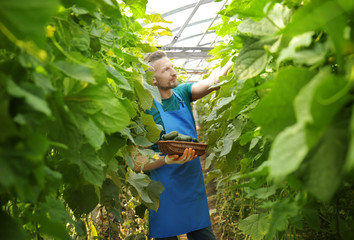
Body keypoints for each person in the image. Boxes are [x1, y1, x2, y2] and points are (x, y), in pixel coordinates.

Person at [134, 51, 232, 240]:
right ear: (153, 80)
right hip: (164, 189)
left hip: (191, 183)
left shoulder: (182, 93)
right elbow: (138, 161)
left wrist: (233, 59)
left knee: (204, 235)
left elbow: (212, 82)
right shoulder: (147, 108)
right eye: (166, 70)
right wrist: (166, 160)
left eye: (172, 67)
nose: (173, 72)